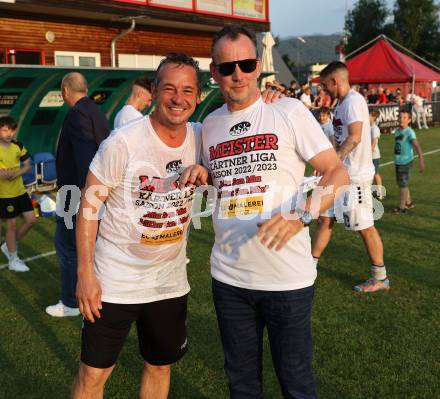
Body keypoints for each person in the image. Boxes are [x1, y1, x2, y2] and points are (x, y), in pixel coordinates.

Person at [203, 25, 349, 398]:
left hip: (287, 281)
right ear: (214, 71)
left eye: (247, 63)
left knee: (296, 384)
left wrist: (302, 213)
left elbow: (337, 172)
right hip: (230, 279)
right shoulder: (208, 126)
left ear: (257, 67)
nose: (238, 74)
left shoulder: (287, 111)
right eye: (227, 67)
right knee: (242, 385)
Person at [71, 53, 209, 399]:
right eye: (170, 89)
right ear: (154, 91)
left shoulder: (202, 137)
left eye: (188, 90)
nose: (179, 99)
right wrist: (85, 274)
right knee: (94, 375)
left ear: (198, 96)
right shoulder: (123, 142)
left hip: (169, 282)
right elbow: (89, 205)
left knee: (160, 366)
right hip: (114, 281)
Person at [312, 61, 389, 293]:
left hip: (354, 178)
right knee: (325, 218)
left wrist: (334, 160)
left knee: (365, 227)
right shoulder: (343, 103)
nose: (324, 91)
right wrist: (328, 163)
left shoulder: (353, 102)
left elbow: (355, 137)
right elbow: (341, 137)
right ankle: (309, 267)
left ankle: (380, 277)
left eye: (325, 86)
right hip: (339, 175)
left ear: (335, 81)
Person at [45, 72, 110, 318]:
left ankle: (71, 302)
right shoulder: (96, 111)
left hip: (77, 194)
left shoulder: (77, 114)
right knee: (89, 247)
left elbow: (85, 155)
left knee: (68, 247)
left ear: (65, 90)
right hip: (91, 193)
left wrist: (86, 196)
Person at [0, 115, 37, 272]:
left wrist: (16, 173)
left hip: (20, 191)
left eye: (12, 130)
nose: (9, 134)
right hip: (5, 194)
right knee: (12, 225)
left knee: (31, 221)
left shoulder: (18, 146)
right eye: (5, 130)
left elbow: (28, 164)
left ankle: (7, 246)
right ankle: (13, 260)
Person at [393, 110, 425, 213]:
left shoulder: (409, 132)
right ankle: (408, 202)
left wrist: (421, 160)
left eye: (404, 117)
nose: (401, 119)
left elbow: (417, 146)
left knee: (403, 185)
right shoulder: (397, 131)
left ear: (409, 120)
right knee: (403, 183)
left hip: (406, 162)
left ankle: (402, 208)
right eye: (400, 117)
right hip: (398, 161)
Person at [370, 110, 384, 200]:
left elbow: (374, 142)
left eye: (369, 115)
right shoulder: (367, 127)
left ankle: (380, 192)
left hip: (374, 155)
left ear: (374, 117)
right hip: (368, 155)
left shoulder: (375, 128)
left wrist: (370, 151)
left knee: (375, 174)